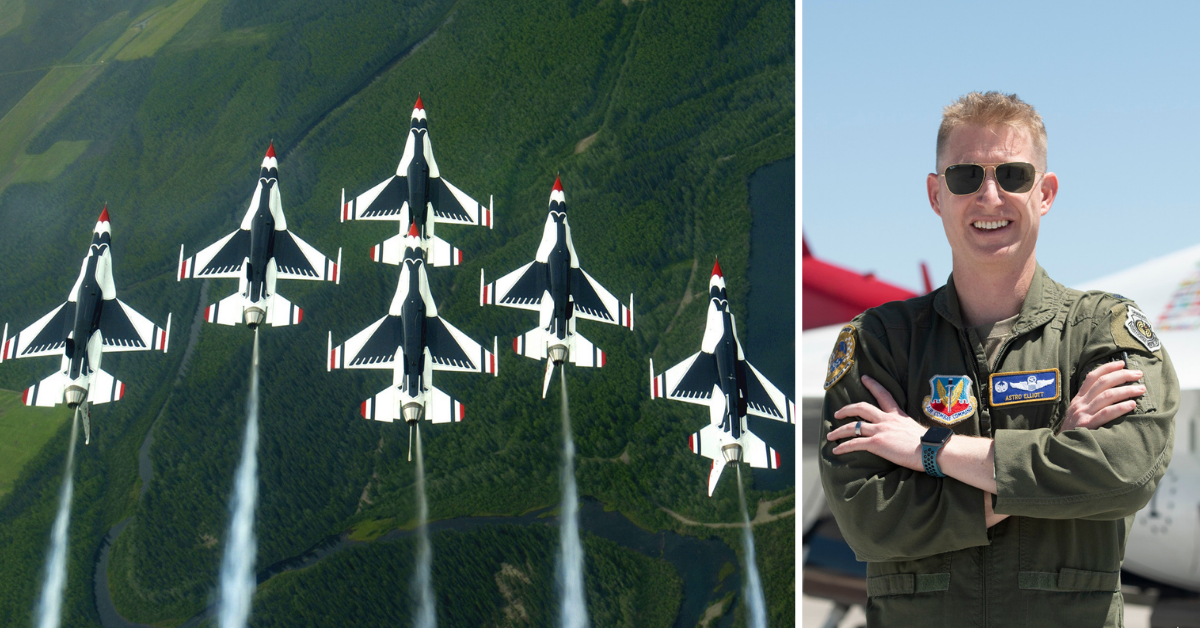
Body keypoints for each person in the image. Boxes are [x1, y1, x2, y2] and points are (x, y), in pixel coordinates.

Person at [818, 91, 1178, 627]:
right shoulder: (880, 343)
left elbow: (1125, 474)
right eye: (966, 177)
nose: (990, 196)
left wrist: (930, 450)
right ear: (936, 194)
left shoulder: (1100, 332)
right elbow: (867, 520)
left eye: (1013, 175)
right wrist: (1056, 456)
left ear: (1046, 192)